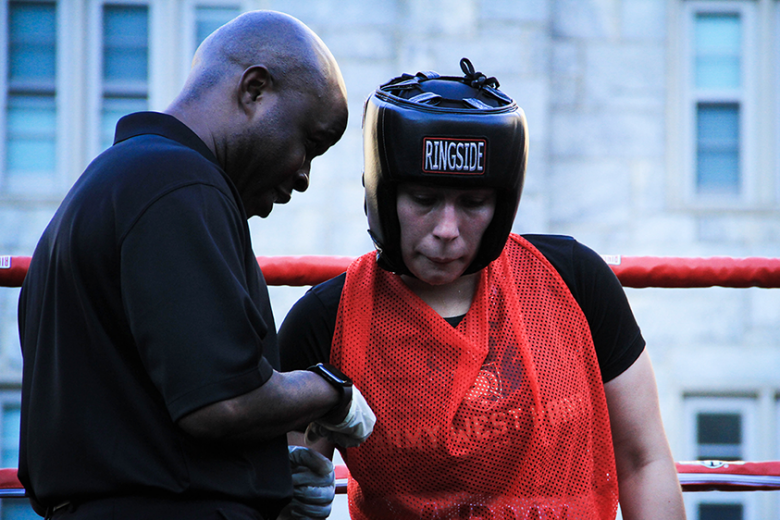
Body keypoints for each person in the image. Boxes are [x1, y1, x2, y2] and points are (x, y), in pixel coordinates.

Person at [279, 58, 686, 519]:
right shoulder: (326, 322)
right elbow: (290, 481)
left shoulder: (575, 282)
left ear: (501, 204)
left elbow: (642, 460)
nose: (447, 229)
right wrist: (291, 504)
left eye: (473, 203)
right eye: (424, 200)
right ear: (383, 195)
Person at [17, 10, 374, 520]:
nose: (303, 177)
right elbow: (222, 403)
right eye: (309, 145)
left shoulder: (113, 185)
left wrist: (269, 471)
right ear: (254, 90)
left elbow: (145, 412)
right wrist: (331, 391)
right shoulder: (179, 183)